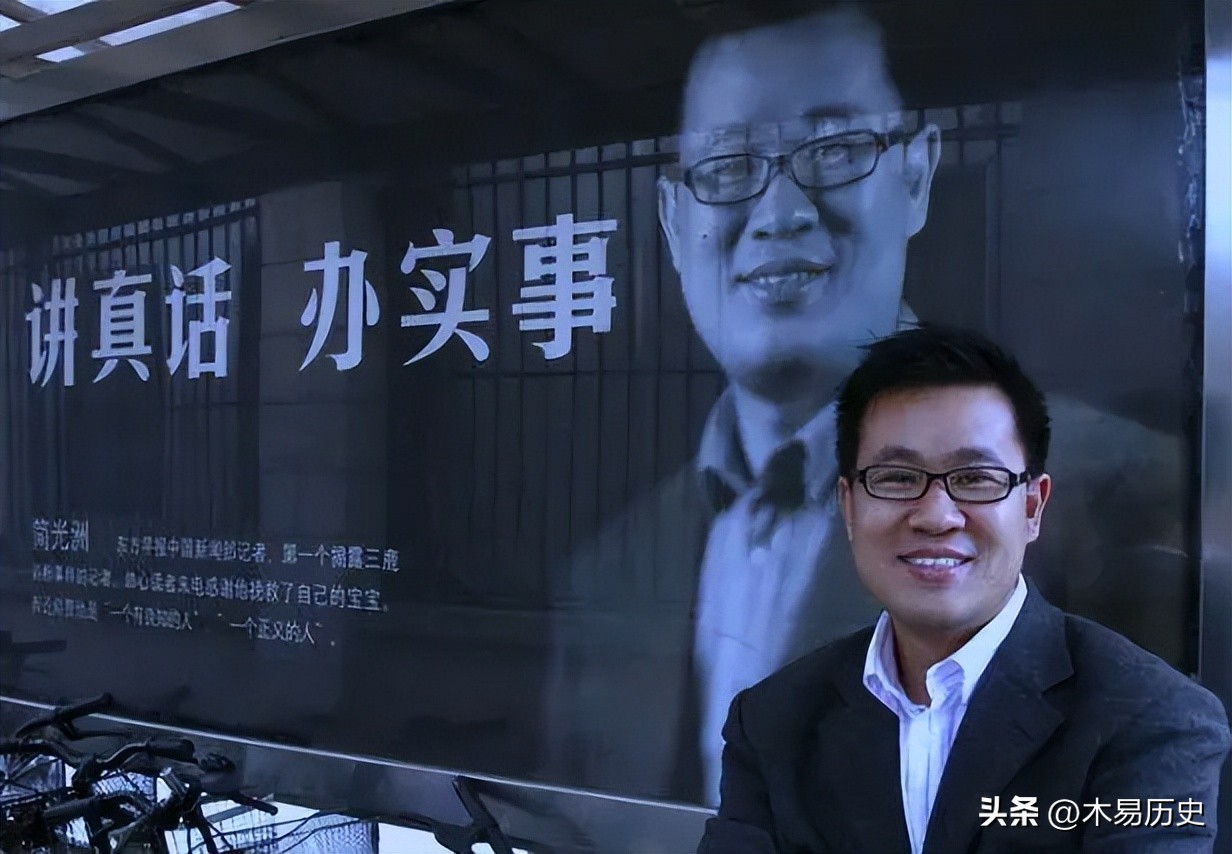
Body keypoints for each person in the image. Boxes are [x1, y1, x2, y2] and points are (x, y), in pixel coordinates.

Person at [543, 1, 1182, 808]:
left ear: (915, 176)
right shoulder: (609, 570)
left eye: (835, 150)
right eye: (729, 166)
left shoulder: (1117, 497)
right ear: (674, 222)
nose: (780, 214)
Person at [697, 325, 1229, 854]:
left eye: (976, 479)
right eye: (897, 478)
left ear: (1032, 507)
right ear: (849, 505)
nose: (936, 516)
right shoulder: (772, 722)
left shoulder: (1150, 720)